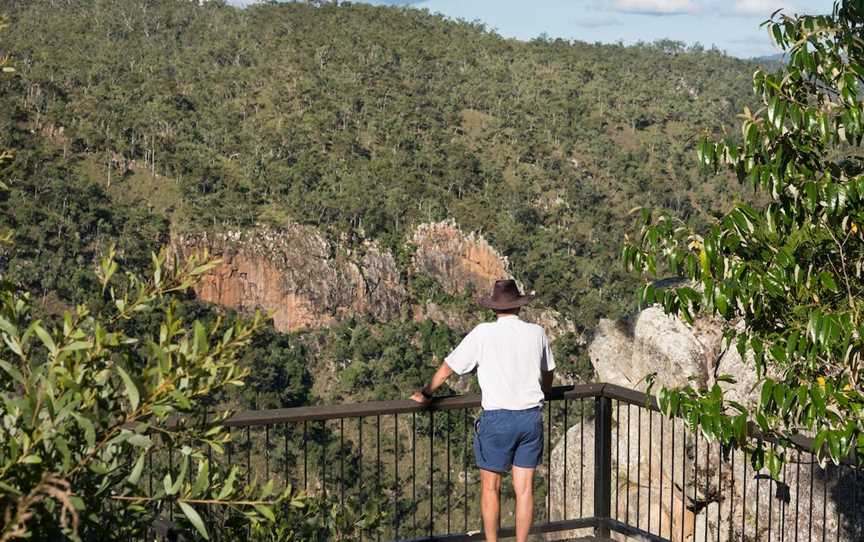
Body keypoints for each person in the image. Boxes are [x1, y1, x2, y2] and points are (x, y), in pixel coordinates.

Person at [410, 279, 555, 542]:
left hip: (497, 420)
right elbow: (549, 371)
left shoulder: (483, 333)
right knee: (524, 491)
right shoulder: (536, 333)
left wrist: (426, 393)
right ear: (519, 307)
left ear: (494, 308)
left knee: (491, 488)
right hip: (530, 417)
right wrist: (544, 392)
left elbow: (449, 366)